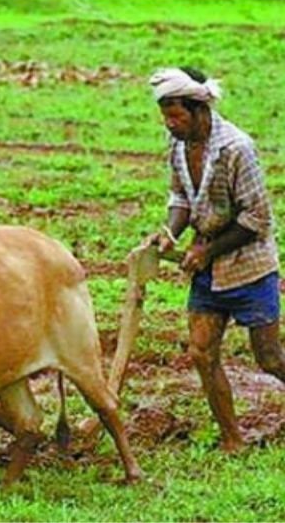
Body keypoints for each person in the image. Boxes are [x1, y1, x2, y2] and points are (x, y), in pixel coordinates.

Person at [148, 67, 285, 452]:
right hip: (207, 270)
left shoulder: (237, 148)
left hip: (249, 267)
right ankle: (232, 439)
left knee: (270, 358)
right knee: (202, 352)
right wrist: (170, 233)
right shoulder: (177, 145)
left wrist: (206, 250)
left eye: (176, 116)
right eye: (166, 116)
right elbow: (180, 197)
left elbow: (257, 218)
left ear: (200, 109)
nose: (170, 124)